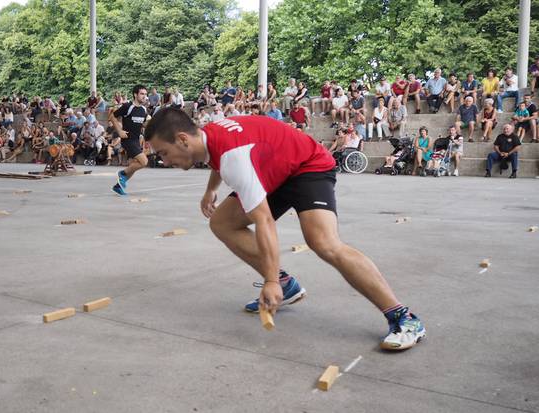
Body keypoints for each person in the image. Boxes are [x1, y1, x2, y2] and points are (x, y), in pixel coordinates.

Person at [143, 108, 426, 351]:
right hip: (276, 171)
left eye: (164, 153)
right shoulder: (208, 137)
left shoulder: (233, 157)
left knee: (324, 243)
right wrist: (210, 192)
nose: (164, 161)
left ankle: (403, 317)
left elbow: (264, 220)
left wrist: (269, 281)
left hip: (307, 166)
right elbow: (216, 161)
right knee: (222, 222)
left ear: (182, 140)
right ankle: (286, 284)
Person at [110, 85, 150, 195]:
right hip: (128, 140)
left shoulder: (143, 109)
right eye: (142, 94)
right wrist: (119, 131)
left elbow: (143, 124)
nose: (144, 96)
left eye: (145, 94)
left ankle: (118, 186)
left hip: (136, 140)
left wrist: (150, 124)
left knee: (134, 165)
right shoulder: (128, 106)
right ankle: (122, 174)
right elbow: (112, 116)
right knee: (144, 162)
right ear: (135, 95)